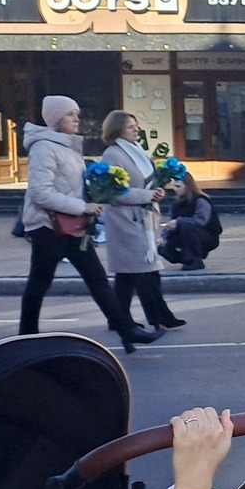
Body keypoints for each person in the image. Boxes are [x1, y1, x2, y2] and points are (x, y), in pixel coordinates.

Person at [18, 96, 157, 353]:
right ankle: (26, 336)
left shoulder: (68, 146)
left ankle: (126, 330)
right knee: (40, 282)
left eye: (77, 113)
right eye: (70, 114)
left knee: (97, 279)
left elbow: (72, 187)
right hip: (48, 227)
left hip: (72, 225)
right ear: (55, 119)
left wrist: (96, 194)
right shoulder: (44, 148)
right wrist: (83, 207)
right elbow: (40, 193)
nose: (76, 119)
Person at [100, 112, 184, 333]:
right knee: (145, 270)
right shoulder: (113, 155)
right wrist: (147, 196)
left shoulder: (138, 152)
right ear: (117, 130)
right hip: (125, 221)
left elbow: (148, 183)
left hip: (144, 218)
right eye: (130, 127)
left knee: (127, 275)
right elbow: (113, 193)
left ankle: (118, 318)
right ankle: (159, 316)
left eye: (137, 126)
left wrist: (157, 191)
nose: (136, 130)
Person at [158, 176, 220, 270]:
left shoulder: (200, 200)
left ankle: (195, 260)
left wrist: (179, 222)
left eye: (178, 186)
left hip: (207, 235)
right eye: (174, 186)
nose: (175, 189)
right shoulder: (177, 203)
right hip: (186, 234)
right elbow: (173, 221)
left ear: (187, 186)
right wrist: (165, 235)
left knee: (187, 227)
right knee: (163, 249)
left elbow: (200, 221)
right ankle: (188, 258)